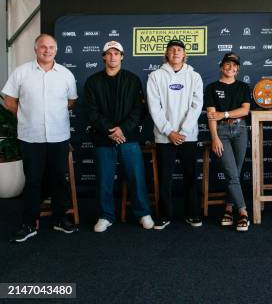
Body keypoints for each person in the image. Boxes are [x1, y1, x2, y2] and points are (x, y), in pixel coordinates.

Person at [2, 34, 78, 242]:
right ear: (35, 49)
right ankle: (29, 223)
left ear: (56, 49)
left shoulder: (65, 74)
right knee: (33, 181)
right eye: (43, 47)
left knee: (58, 179)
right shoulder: (21, 72)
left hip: (58, 136)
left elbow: (71, 102)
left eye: (51, 47)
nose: (47, 50)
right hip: (30, 137)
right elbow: (9, 100)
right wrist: (26, 115)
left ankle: (60, 219)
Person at [83, 41, 153, 232]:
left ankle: (143, 213)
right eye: (109, 53)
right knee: (104, 179)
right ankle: (105, 216)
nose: (113, 57)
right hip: (102, 138)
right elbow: (91, 112)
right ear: (103, 56)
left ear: (122, 56)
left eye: (117, 53)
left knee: (136, 177)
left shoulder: (132, 80)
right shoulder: (93, 81)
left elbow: (138, 110)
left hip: (128, 137)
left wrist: (122, 130)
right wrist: (111, 131)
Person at [147, 40, 204, 229]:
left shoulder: (194, 76)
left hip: (188, 136)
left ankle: (192, 214)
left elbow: (197, 106)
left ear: (184, 54)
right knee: (165, 178)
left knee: (190, 176)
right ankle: (164, 216)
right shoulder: (156, 76)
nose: (175, 52)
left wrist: (183, 131)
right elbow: (154, 107)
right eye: (172, 50)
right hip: (165, 137)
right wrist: (169, 131)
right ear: (166, 54)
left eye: (179, 50)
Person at [204, 52, 251, 232]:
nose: (231, 68)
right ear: (221, 66)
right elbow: (211, 115)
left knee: (235, 173)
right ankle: (244, 212)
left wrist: (224, 114)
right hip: (221, 132)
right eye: (227, 64)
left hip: (240, 130)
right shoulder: (211, 88)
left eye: (234, 66)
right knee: (232, 173)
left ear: (237, 69)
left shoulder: (243, 87)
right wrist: (214, 137)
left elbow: (245, 111)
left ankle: (228, 208)